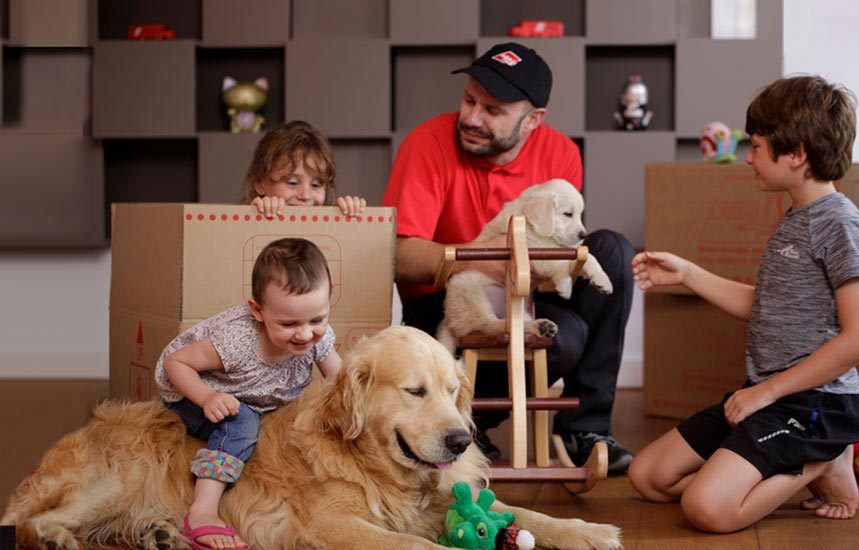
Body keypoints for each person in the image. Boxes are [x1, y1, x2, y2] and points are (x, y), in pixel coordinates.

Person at [626, 75, 859, 533]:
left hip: (816, 406)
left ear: (796, 153)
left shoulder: (839, 222)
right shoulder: (796, 218)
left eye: (757, 147)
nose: (748, 158)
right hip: (768, 397)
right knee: (648, 476)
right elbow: (767, 307)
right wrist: (687, 274)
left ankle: (823, 460)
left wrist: (767, 392)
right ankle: (758, 470)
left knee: (706, 509)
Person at [382, 42, 635, 473]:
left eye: (493, 110)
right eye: (469, 101)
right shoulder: (426, 142)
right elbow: (397, 256)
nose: (472, 118)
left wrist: (518, 268)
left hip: (527, 295)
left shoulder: (561, 153)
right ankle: (468, 424)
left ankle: (585, 431)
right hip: (443, 305)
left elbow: (559, 254)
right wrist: (481, 259)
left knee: (611, 250)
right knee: (566, 337)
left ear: (533, 119)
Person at [155, 238, 343, 549]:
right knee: (242, 423)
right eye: (289, 323)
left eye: (317, 319)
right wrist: (206, 397)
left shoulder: (316, 337)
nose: (305, 334)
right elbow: (176, 363)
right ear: (258, 311)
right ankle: (203, 510)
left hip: (256, 398)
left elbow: (340, 382)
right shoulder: (237, 341)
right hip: (194, 393)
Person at [240, 120, 366, 218]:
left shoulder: (329, 223)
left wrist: (349, 215)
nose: (305, 196)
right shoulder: (242, 223)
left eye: (316, 185)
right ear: (260, 184)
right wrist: (252, 217)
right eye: (292, 183)